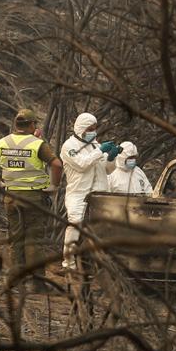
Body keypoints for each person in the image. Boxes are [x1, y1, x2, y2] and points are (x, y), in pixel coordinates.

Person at [0, 108, 63, 283]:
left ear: (16, 124)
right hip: (33, 198)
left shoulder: (3, 142)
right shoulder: (37, 144)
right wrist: (54, 186)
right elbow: (56, 164)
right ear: (32, 124)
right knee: (34, 239)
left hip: (11, 197)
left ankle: (16, 278)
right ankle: (37, 282)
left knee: (16, 237)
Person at [59, 112, 118, 270]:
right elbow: (82, 164)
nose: (93, 131)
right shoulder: (69, 146)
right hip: (78, 193)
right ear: (81, 129)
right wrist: (100, 152)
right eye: (90, 129)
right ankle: (68, 264)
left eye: (94, 128)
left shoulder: (95, 145)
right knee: (75, 224)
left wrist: (112, 158)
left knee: (99, 229)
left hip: (99, 194)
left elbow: (107, 170)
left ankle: (94, 264)